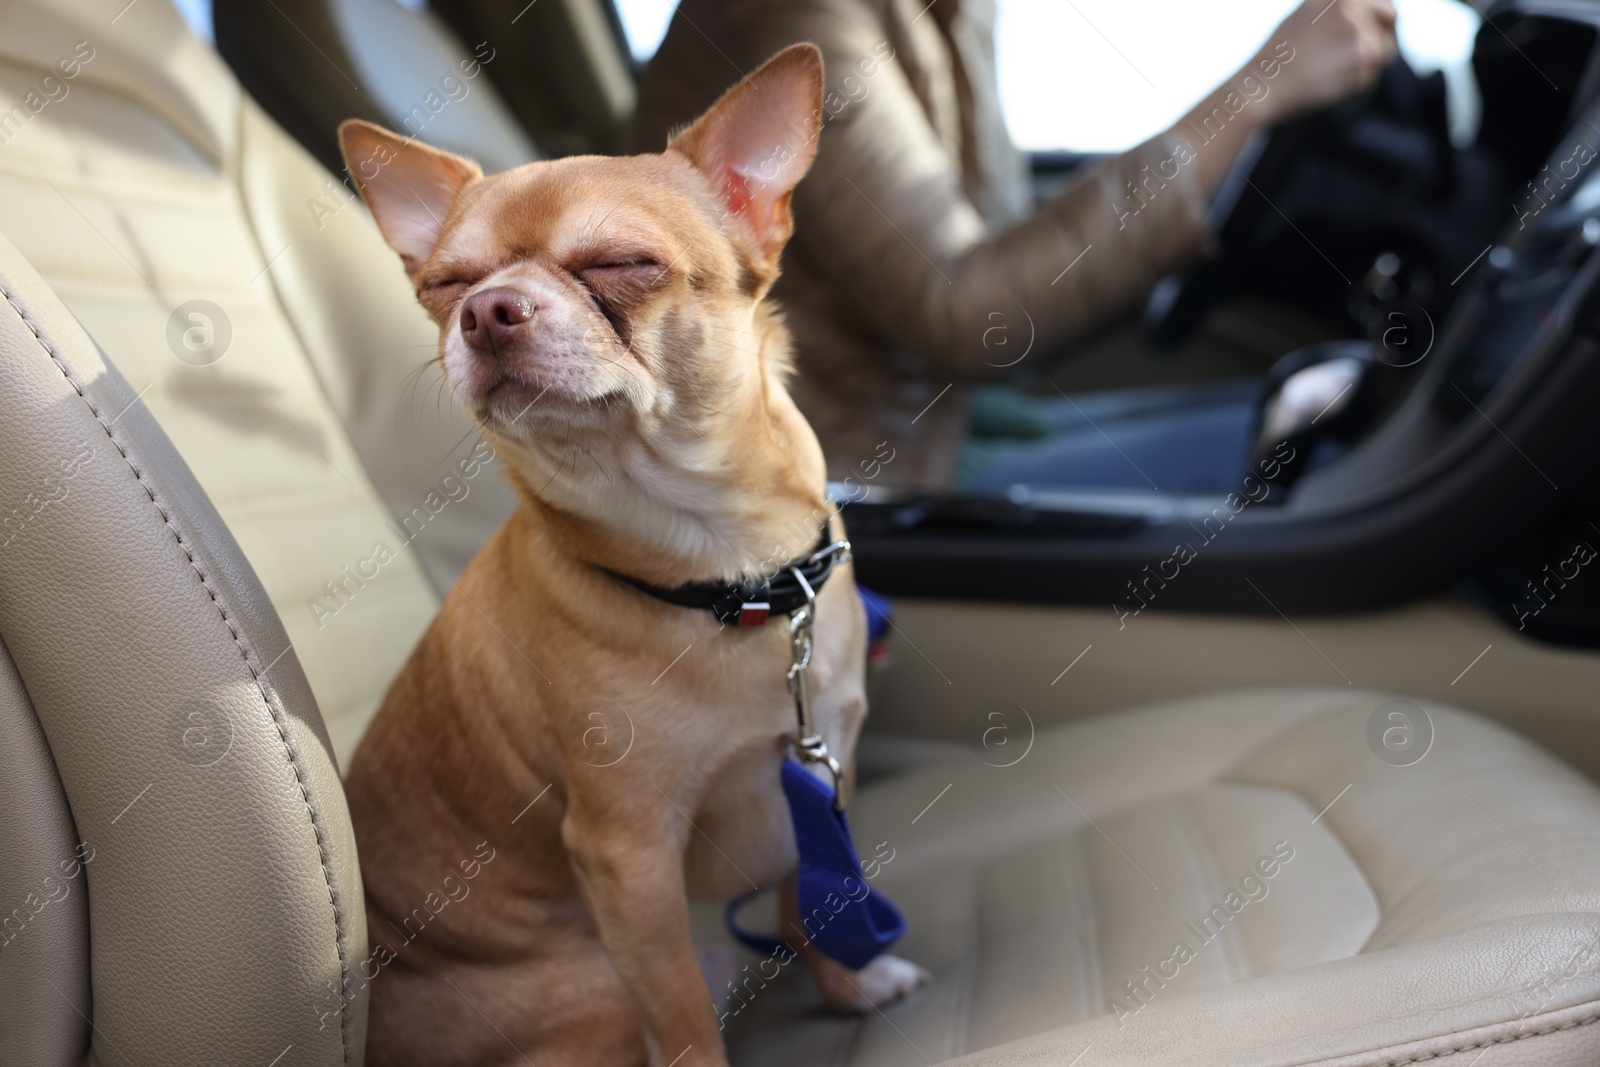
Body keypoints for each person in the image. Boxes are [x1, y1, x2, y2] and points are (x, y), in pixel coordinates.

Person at [630, 0, 1398, 494]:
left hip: (939, 421)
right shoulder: (796, 20)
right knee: (1336, 448)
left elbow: (991, 235)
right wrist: (1253, 95)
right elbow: (966, 311)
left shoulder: (947, 15)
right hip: (849, 482)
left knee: (1308, 407)